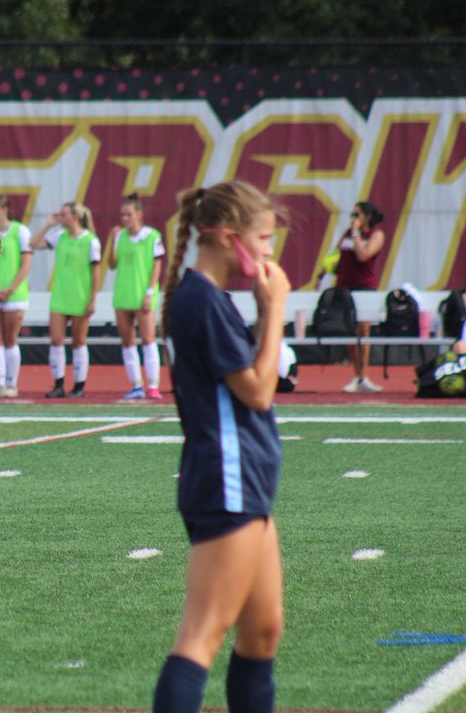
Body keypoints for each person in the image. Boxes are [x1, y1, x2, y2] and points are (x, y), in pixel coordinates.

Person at [152, 181, 289, 713]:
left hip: (245, 479)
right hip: (226, 481)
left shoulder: (210, 298)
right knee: (203, 633)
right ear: (231, 238)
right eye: (264, 239)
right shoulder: (200, 299)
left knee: (263, 632)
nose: (269, 252)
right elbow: (257, 389)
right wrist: (275, 307)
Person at [31, 201, 101, 398]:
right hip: (60, 297)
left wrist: (91, 300)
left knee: (78, 342)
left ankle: (79, 386)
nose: (61, 217)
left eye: (65, 214)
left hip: (80, 297)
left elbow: (96, 274)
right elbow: (33, 244)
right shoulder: (59, 236)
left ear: (76, 217)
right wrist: (48, 225)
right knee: (56, 340)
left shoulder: (91, 241)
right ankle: (58, 384)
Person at [108, 193, 166, 400]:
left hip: (142, 295)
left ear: (139, 215)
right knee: (128, 341)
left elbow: (156, 266)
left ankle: (153, 385)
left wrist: (150, 292)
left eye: (129, 215)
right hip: (123, 294)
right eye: (122, 215)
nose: (125, 219)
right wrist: (111, 240)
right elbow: (112, 264)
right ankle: (136, 386)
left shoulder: (151, 236)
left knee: (148, 339)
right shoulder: (120, 236)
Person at [336, 201, 386, 393]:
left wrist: (357, 233)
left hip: (364, 288)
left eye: (357, 215)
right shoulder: (348, 233)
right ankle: (356, 375)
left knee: (363, 331)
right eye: (352, 215)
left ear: (367, 217)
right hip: (345, 287)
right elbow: (338, 253)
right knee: (350, 331)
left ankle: (364, 376)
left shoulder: (376, 235)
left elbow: (363, 256)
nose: (353, 219)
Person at [0, 194, 32, 398]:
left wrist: (10, 289)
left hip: (15, 295)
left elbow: (25, 264)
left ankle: (12, 383)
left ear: (5, 210)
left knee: (10, 338)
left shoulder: (20, 231)